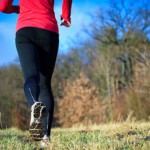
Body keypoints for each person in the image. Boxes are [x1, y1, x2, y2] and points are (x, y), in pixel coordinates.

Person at [0, 0, 72, 147]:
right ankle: (45, 138)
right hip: (49, 30)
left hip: (25, 30)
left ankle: (34, 106)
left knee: (31, 77)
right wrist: (66, 15)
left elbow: (2, 7)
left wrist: (16, 9)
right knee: (45, 85)